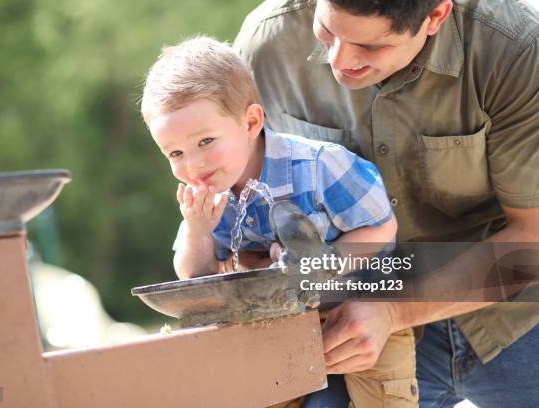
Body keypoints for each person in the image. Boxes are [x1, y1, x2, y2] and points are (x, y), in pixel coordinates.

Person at [234, 0, 539, 406]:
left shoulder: (515, 49)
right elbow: (232, 192)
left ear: (435, 16)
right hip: (350, 326)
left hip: (514, 313)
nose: (338, 60)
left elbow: (531, 241)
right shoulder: (265, 46)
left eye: (371, 47)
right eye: (327, 30)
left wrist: (393, 311)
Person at [140, 36, 419, 408]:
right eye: (175, 153)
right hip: (278, 322)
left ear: (251, 121)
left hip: (360, 307)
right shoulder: (208, 199)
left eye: (206, 141)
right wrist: (198, 228)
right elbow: (193, 276)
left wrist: (321, 264)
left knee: (384, 398)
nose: (193, 165)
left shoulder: (319, 167)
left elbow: (381, 228)